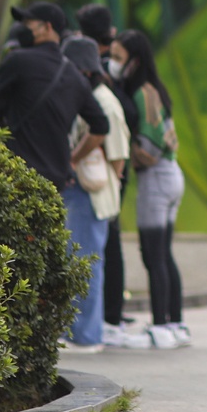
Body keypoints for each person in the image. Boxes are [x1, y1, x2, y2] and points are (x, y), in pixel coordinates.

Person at [0, 1, 111, 353]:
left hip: (18, 180)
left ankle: (9, 340)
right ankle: (42, 340)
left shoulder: (18, 62)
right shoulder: (73, 74)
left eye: (32, 22)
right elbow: (100, 126)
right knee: (48, 262)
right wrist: (71, 156)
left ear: (50, 27)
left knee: (9, 258)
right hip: (57, 186)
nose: (26, 27)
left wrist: (8, 141)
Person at [114, 29, 191, 350]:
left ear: (136, 59)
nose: (114, 64)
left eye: (118, 57)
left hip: (157, 177)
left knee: (153, 253)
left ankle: (160, 327)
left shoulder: (143, 94)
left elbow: (149, 145)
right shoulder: (153, 89)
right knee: (163, 253)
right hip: (170, 175)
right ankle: (175, 323)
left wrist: (125, 150)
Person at [62, 35, 134, 349]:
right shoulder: (90, 95)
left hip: (91, 192)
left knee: (86, 264)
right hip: (85, 191)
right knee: (81, 261)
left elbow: (118, 157)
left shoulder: (104, 102)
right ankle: (79, 332)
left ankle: (86, 335)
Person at [79, 3, 127, 336]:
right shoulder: (101, 89)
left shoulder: (102, 97)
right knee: (102, 252)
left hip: (101, 183)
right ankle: (102, 322)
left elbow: (115, 147)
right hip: (105, 182)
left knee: (99, 254)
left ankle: (100, 325)